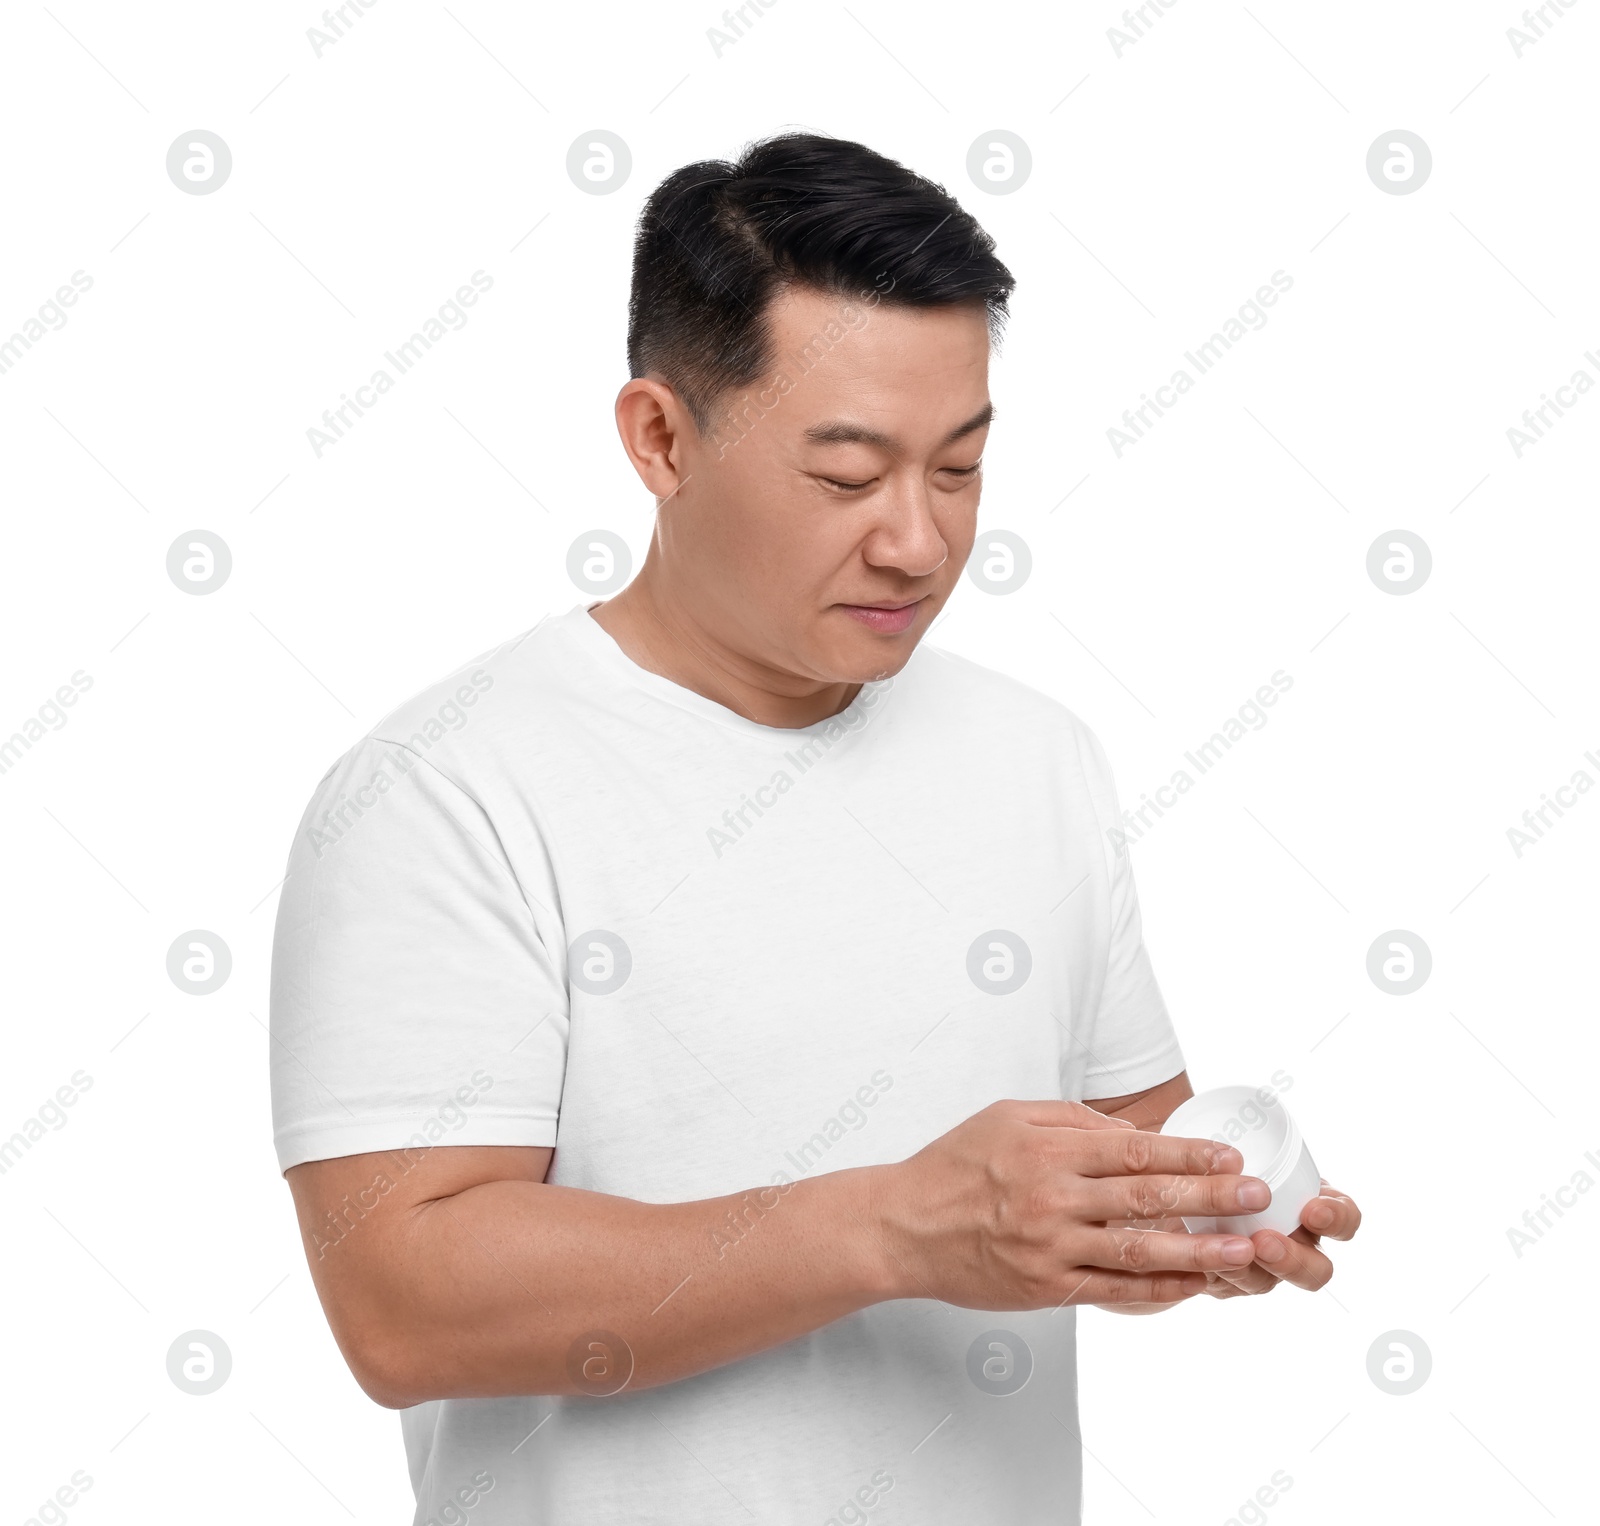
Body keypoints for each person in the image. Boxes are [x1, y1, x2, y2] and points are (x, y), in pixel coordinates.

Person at [270, 132, 1360, 1523]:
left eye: (958, 467)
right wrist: (898, 1221)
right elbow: (402, 1305)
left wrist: (1200, 1209)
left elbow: (1100, 1154)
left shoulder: (1037, 755)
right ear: (660, 438)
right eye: (847, 476)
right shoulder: (443, 789)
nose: (918, 540)